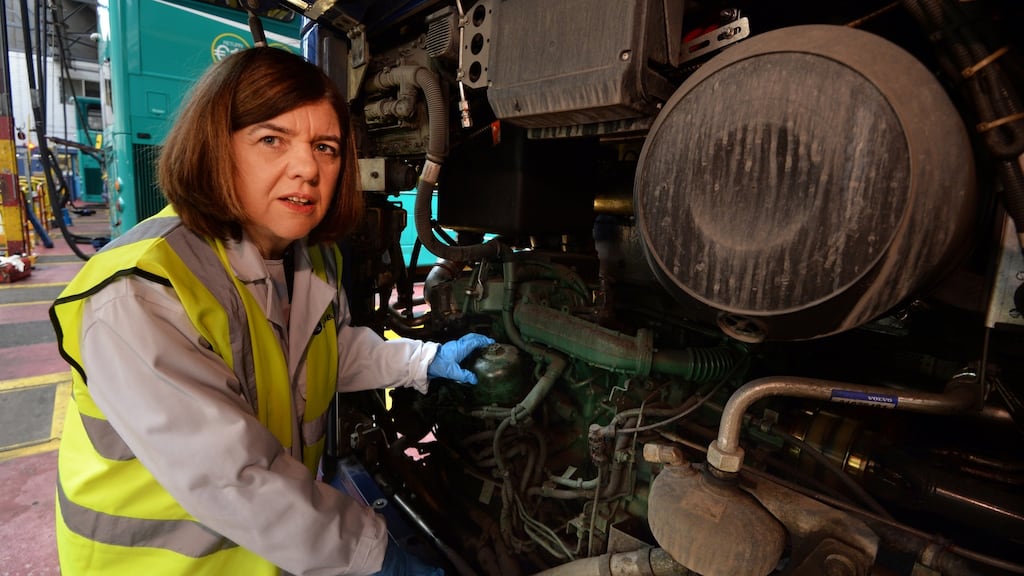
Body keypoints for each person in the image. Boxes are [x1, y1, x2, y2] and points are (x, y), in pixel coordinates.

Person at [50, 46, 493, 575]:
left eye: (325, 147)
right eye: (271, 140)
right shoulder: (141, 292)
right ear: (217, 148)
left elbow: (318, 351)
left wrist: (423, 360)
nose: (307, 167)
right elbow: (234, 478)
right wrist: (374, 557)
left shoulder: (311, 257)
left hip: (269, 557)